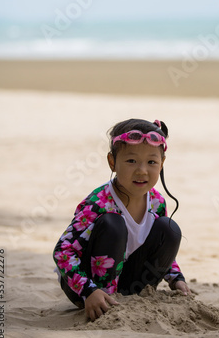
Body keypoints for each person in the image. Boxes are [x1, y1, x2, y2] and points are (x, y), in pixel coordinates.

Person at [53, 118, 191, 321]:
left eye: (151, 162)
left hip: (129, 283)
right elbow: (63, 251)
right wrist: (88, 290)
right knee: (113, 224)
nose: (142, 170)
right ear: (112, 162)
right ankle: (101, 297)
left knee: (169, 229)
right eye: (131, 161)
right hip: (85, 288)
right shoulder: (98, 202)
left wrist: (175, 278)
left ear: (162, 163)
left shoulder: (157, 202)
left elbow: (159, 248)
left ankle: (125, 296)